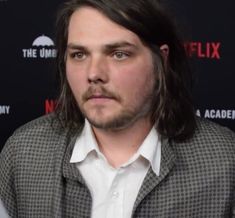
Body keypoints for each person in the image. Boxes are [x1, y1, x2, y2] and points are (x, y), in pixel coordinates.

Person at [0, 0, 235, 217]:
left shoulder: (226, 162)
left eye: (119, 54)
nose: (94, 74)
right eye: (79, 54)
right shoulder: (22, 154)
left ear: (161, 62)